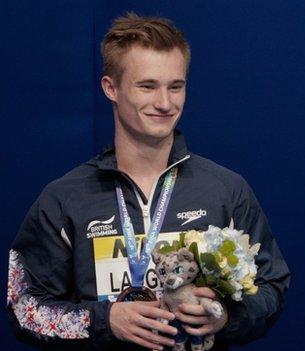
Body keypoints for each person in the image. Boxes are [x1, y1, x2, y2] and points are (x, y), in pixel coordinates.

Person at [7, 13, 290, 350]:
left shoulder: (225, 190)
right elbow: (23, 308)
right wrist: (105, 320)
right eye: (147, 86)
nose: (165, 103)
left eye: (176, 86)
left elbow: (273, 287)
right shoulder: (64, 199)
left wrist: (228, 317)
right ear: (111, 88)